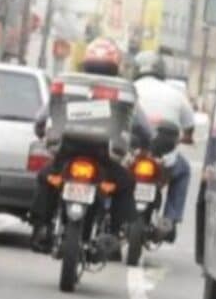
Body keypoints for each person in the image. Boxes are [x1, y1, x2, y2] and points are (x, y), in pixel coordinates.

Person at [29, 38, 151, 253]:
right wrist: (145, 142)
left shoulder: (70, 86)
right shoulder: (122, 91)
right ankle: (113, 234)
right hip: (105, 158)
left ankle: (42, 228)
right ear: (115, 66)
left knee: (45, 178)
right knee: (126, 183)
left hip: (67, 153)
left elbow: (42, 118)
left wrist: (41, 130)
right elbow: (143, 128)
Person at [131, 51, 195, 242]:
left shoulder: (130, 88)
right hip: (164, 159)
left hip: (132, 156)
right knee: (183, 170)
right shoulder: (175, 94)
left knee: (111, 174)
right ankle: (170, 218)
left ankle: (108, 211)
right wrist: (186, 138)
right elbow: (189, 126)